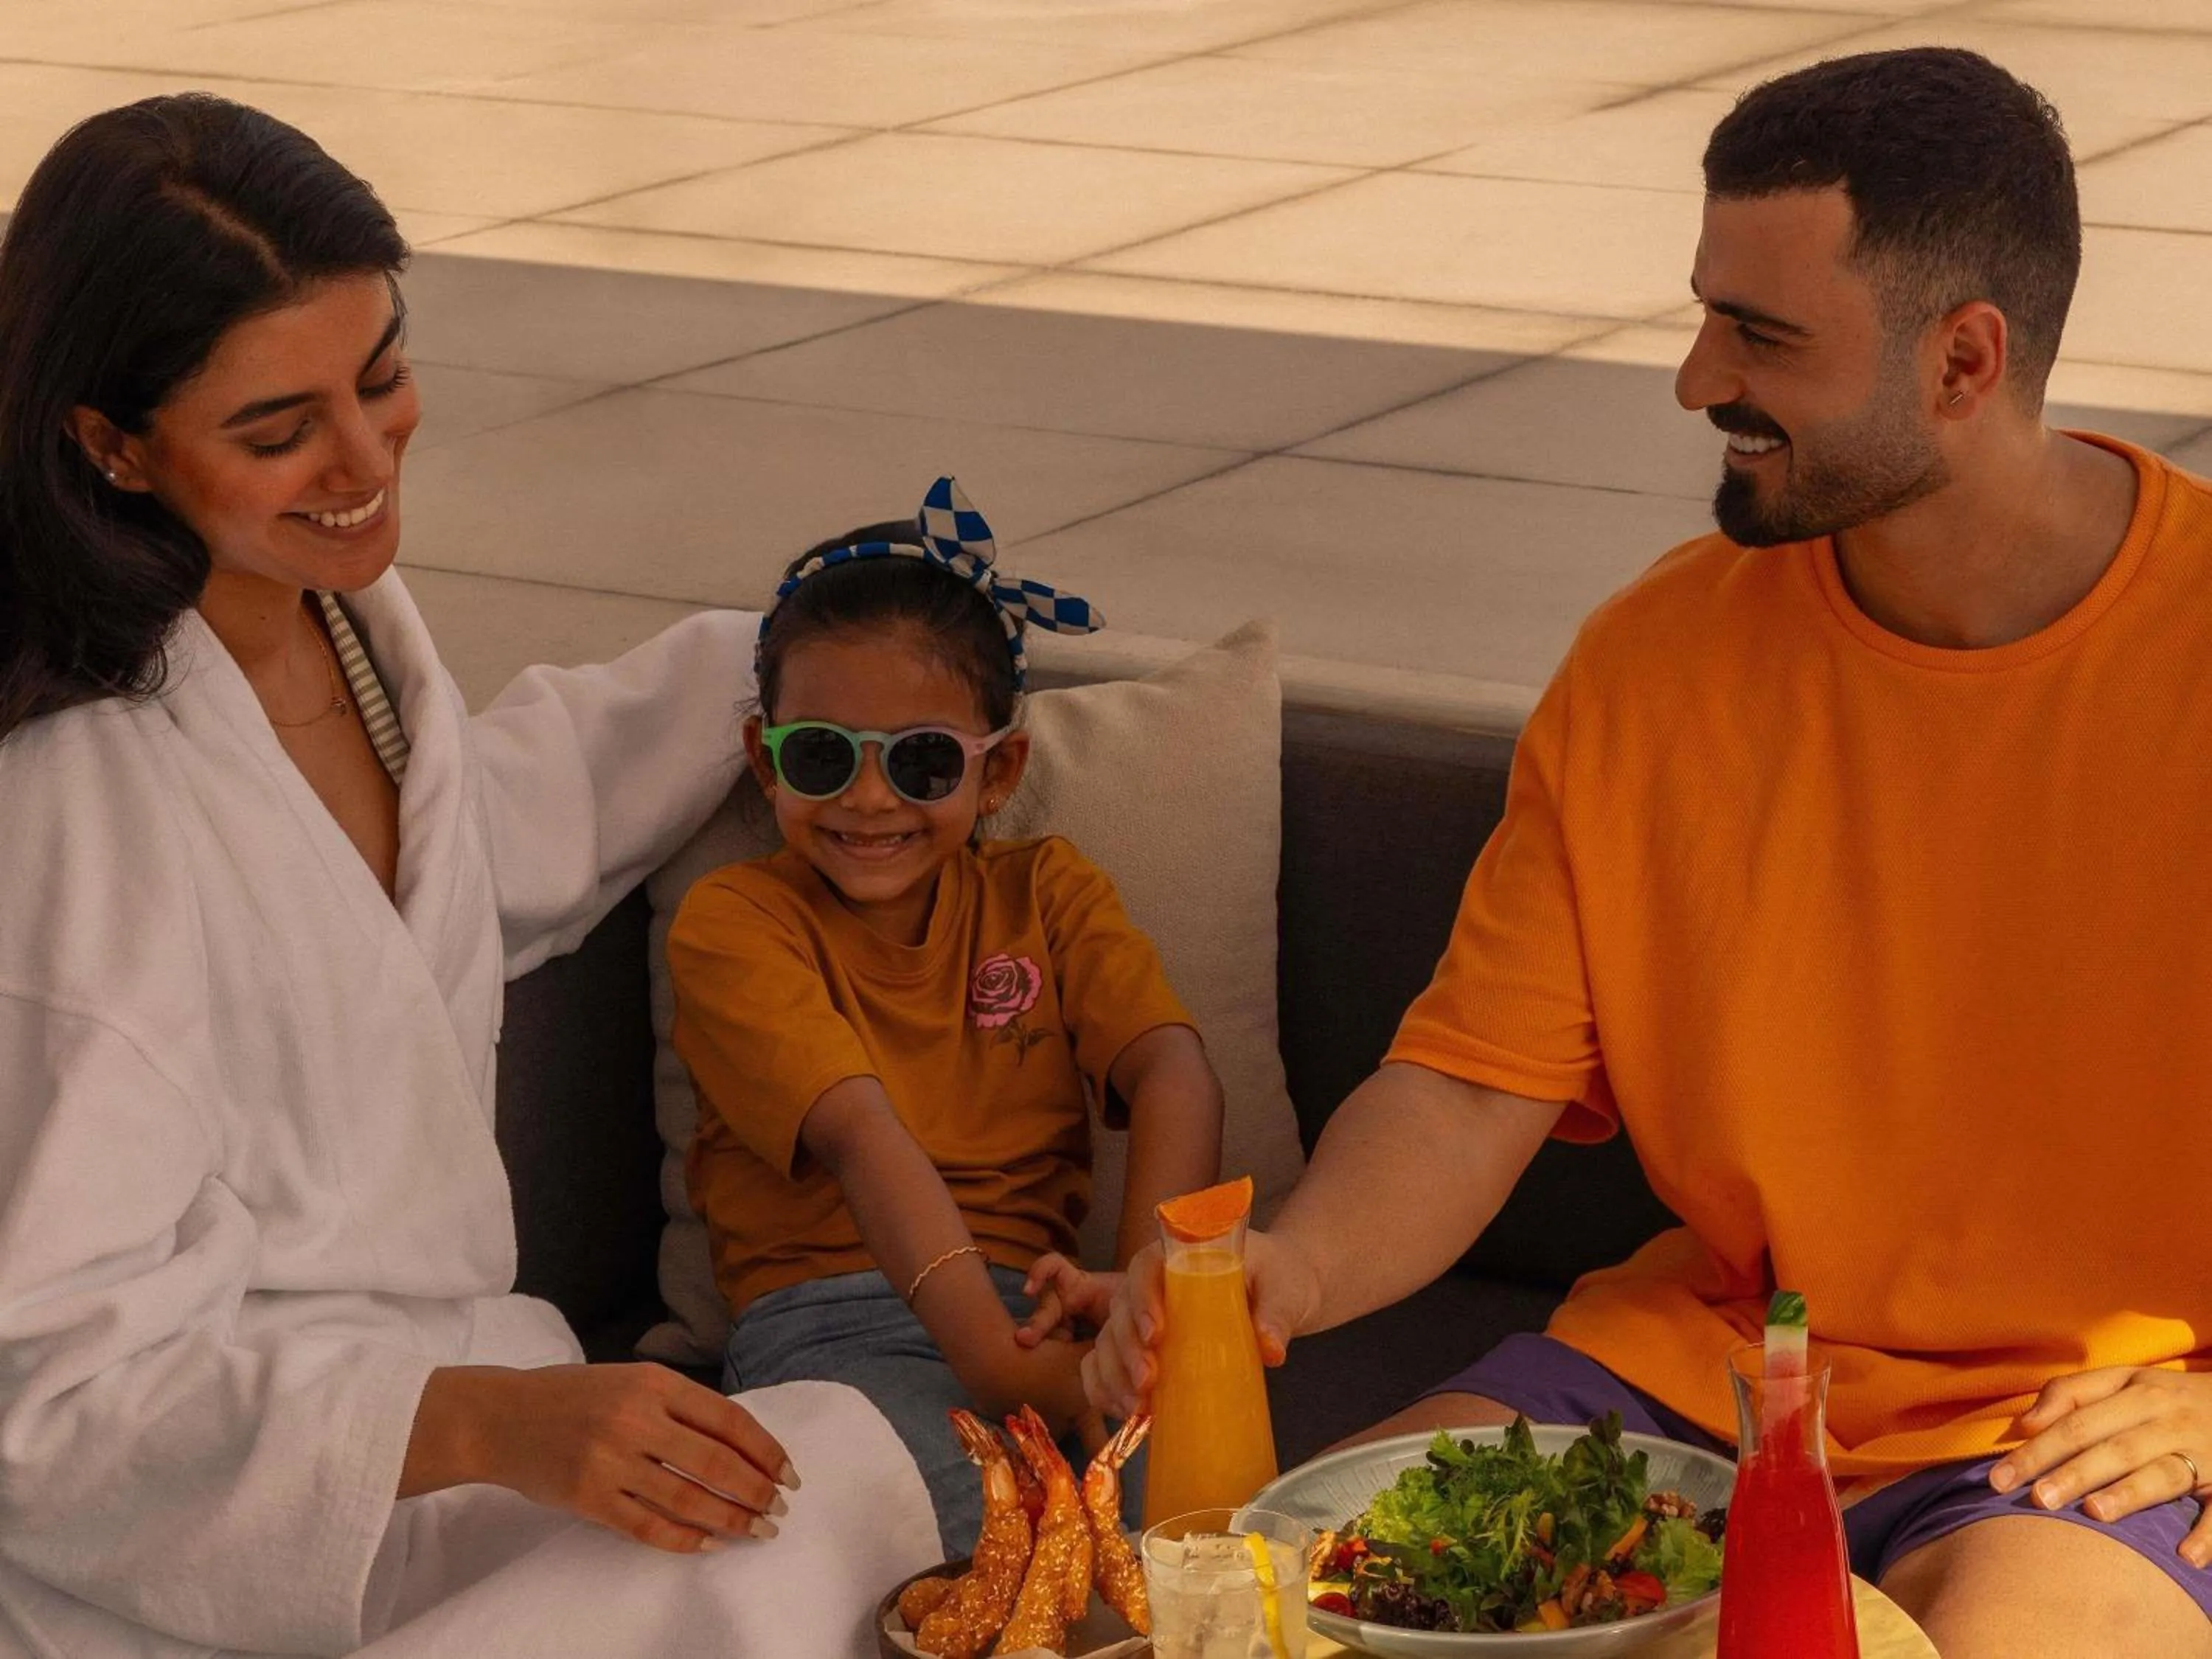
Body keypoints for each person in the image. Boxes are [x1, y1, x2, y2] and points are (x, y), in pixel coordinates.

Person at [1077, 47, 2212, 1659]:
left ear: (1964, 361)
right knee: (1236, 1631)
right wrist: (1293, 1270)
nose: (1695, 380)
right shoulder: (1649, 663)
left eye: (1759, 336)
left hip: (2076, 1444)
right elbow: (1475, 1087)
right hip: (1694, 1377)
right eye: (1704, 311)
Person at [0, 94, 934, 1658]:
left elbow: (474, 839)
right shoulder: (72, 817)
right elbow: (46, 1399)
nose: (364, 462)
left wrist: (806, 665)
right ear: (111, 445)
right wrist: (489, 1426)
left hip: (455, 1450)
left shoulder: (343, 628)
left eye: (383, 377)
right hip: (226, 1537)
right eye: (278, 430)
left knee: (828, 1460)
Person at [667, 481, 1225, 1555]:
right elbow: (862, 1134)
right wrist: (1004, 1367)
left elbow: (1175, 1075)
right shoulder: (735, 920)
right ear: (763, 758)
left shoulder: (1050, 894)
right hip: (834, 1328)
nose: (869, 800)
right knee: (987, 1530)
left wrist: (1149, 1303)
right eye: (824, 755)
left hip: (1046, 1314)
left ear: (1000, 768)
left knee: (1201, 1528)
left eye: (921, 759)